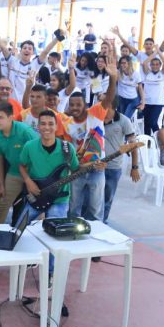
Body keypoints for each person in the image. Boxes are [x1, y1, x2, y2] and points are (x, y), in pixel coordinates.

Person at [64, 59, 117, 221]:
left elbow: (108, 99)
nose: (75, 108)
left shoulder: (95, 113)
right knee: (73, 209)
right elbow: (67, 149)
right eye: (71, 105)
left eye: (78, 105)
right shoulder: (67, 124)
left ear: (84, 105)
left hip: (97, 170)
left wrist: (113, 78)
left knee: (95, 211)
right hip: (77, 171)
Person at [18, 111, 80, 230]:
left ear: (56, 126)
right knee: (19, 229)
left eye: (51, 124)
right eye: (43, 124)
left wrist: (93, 165)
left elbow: (76, 169)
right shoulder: (29, 146)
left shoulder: (67, 148)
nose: (47, 127)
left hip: (59, 199)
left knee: (55, 233)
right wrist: (27, 181)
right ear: (38, 126)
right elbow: (22, 165)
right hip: (36, 196)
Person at [0, 101, 37, 225]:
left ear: (11, 117)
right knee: (1, 204)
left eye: (0, 117)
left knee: (38, 207)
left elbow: (40, 152)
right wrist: (1, 184)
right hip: (14, 172)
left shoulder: (24, 131)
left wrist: (32, 180)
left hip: (34, 174)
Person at [102, 100, 141, 224]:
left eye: (106, 107)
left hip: (113, 167)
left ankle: (102, 222)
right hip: (95, 166)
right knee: (90, 197)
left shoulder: (124, 121)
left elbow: (133, 145)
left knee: (107, 198)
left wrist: (134, 167)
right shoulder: (96, 118)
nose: (103, 110)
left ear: (113, 107)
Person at [141, 49, 164, 135]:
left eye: (157, 64)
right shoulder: (147, 73)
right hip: (147, 102)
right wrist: (154, 54)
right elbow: (145, 63)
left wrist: (158, 51)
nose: (155, 66)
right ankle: (148, 143)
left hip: (158, 103)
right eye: (153, 64)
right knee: (146, 123)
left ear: (160, 66)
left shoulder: (162, 73)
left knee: (152, 122)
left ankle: (159, 140)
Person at [117, 54, 144, 119]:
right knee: (120, 118)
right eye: (121, 63)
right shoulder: (118, 73)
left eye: (124, 63)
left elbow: (140, 88)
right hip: (121, 99)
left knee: (125, 118)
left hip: (133, 100)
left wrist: (143, 103)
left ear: (129, 64)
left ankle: (127, 129)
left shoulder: (136, 74)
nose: (122, 65)